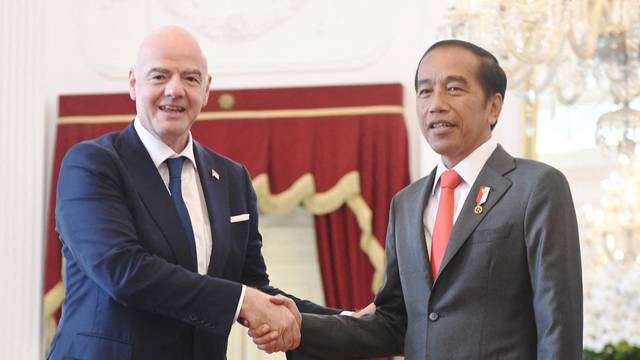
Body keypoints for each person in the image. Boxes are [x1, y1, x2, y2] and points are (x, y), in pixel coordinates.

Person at [257, 40, 583, 359]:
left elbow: (558, 320)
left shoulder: (535, 187)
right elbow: (393, 322)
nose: (436, 104)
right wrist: (301, 326)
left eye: (454, 89)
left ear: (493, 106)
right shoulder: (406, 203)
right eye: (425, 91)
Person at [47, 26, 341, 360]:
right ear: (133, 83)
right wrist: (244, 301)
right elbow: (125, 270)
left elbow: (252, 285)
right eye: (159, 76)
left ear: (206, 89)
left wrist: (348, 322)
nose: (175, 90)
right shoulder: (92, 164)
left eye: (190, 78)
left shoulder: (232, 177)